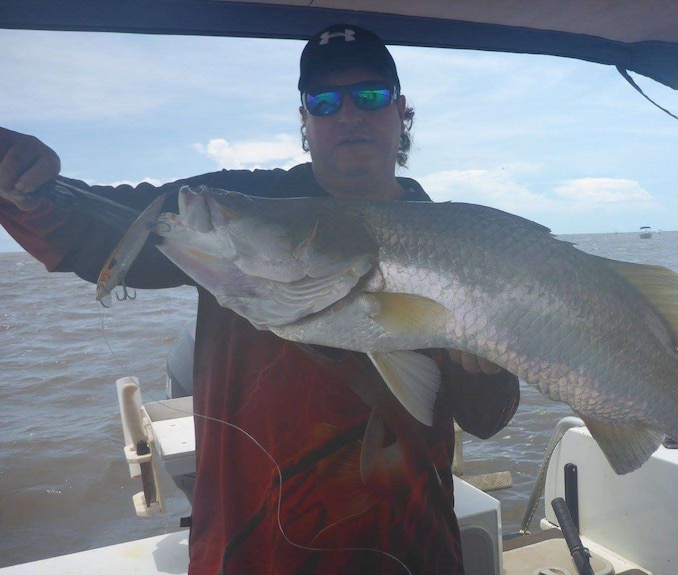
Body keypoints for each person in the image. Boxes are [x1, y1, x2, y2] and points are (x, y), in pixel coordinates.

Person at [0, 24, 519, 575]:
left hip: (410, 545)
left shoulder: (458, 242)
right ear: (305, 121)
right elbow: (104, 227)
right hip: (254, 549)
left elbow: (490, 417)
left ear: (400, 111)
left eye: (369, 95)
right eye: (324, 101)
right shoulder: (237, 212)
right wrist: (25, 181)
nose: (348, 114)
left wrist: (480, 371)